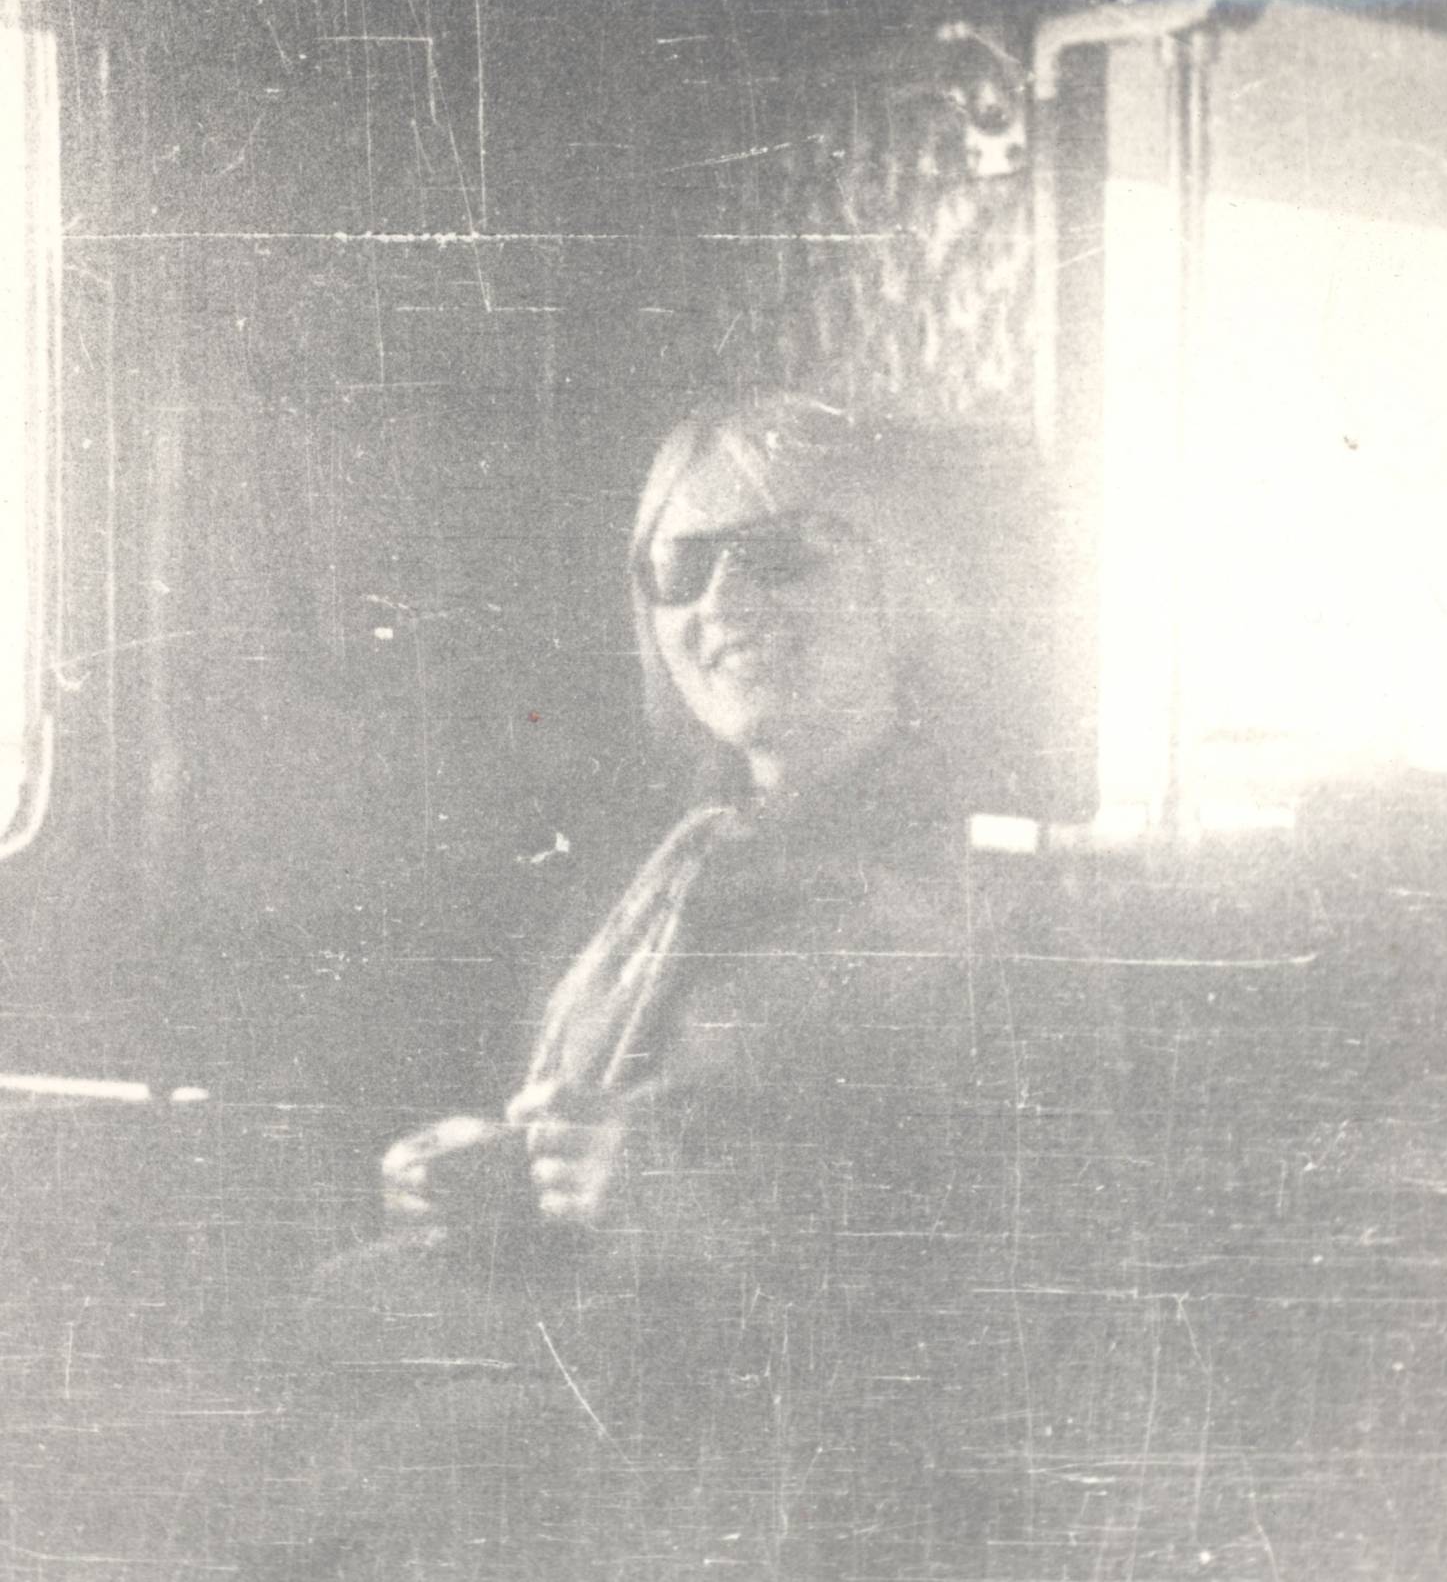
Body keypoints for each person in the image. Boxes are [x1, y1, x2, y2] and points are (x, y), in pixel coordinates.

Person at [233, 393, 1099, 1580]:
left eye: (779, 555)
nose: (721, 605)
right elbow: (630, 1138)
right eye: (680, 569)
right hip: (629, 1400)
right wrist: (499, 1168)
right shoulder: (672, 865)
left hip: (802, 1478)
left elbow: (1022, 1300)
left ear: (906, 582)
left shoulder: (992, 895)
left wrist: (680, 1203)